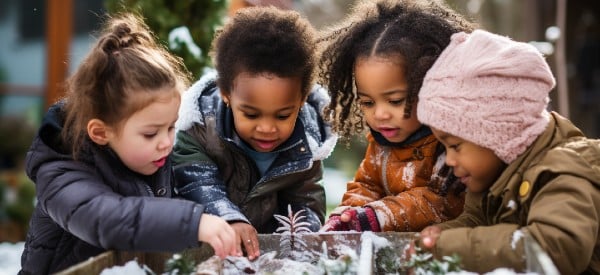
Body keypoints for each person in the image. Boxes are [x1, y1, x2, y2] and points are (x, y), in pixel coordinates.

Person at [19, 13, 240, 275]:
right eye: (150, 134)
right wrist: (193, 223)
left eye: (171, 127)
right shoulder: (60, 172)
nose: (166, 143)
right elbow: (105, 219)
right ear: (101, 132)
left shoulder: (148, 158)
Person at [415, 29, 600, 274]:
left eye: (455, 146)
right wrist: (429, 240)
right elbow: (477, 222)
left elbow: (553, 249)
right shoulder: (499, 173)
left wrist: (446, 247)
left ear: (499, 132)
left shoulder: (564, 170)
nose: (449, 160)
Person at [171, 6, 337, 260]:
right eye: (251, 114)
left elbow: (305, 204)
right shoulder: (200, 130)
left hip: (265, 256)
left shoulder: (307, 146)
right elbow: (198, 183)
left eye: (282, 116)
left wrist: (301, 244)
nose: (267, 128)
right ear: (226, 95)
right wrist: (229, 218)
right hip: (207, 251)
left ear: (302, 100)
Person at [318, 0, 473, 232]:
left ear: (428, 85)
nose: (380, 114)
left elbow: (440, 201)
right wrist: (351, 214)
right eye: (367, 102)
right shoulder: (381, 142)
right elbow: (367, 184)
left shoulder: (448, 143)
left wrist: (376, 216)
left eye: (395, 101)